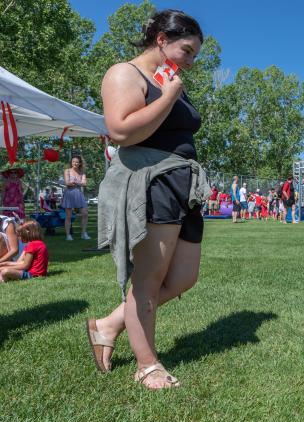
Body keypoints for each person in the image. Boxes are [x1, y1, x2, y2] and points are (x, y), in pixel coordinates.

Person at [87, 10, 208, 389]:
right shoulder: (125, 73)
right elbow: (120, 130)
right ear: (161, 40)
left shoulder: (170, 80)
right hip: (150, 182)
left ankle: (108, 324)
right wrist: (169, 95)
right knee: (148, 280)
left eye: (194, 55)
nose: (190, 61)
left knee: (184, 277)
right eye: (186, 50)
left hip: (182, 184)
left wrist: (172, 90)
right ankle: (147, 365)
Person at [62, 155, 90, 241]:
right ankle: (68, 235)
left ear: (80, 163)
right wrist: (79, 182)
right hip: (69, 194)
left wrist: (75, 182)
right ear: (71, 162)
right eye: (73, 161)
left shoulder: (82, 172)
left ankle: (83, 233)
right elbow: (67, 183)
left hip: (78, 194)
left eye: (77, 162)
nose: (75, 163)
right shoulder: (67, 171)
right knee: (69, 216)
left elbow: (85, 184)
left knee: (85, 213)